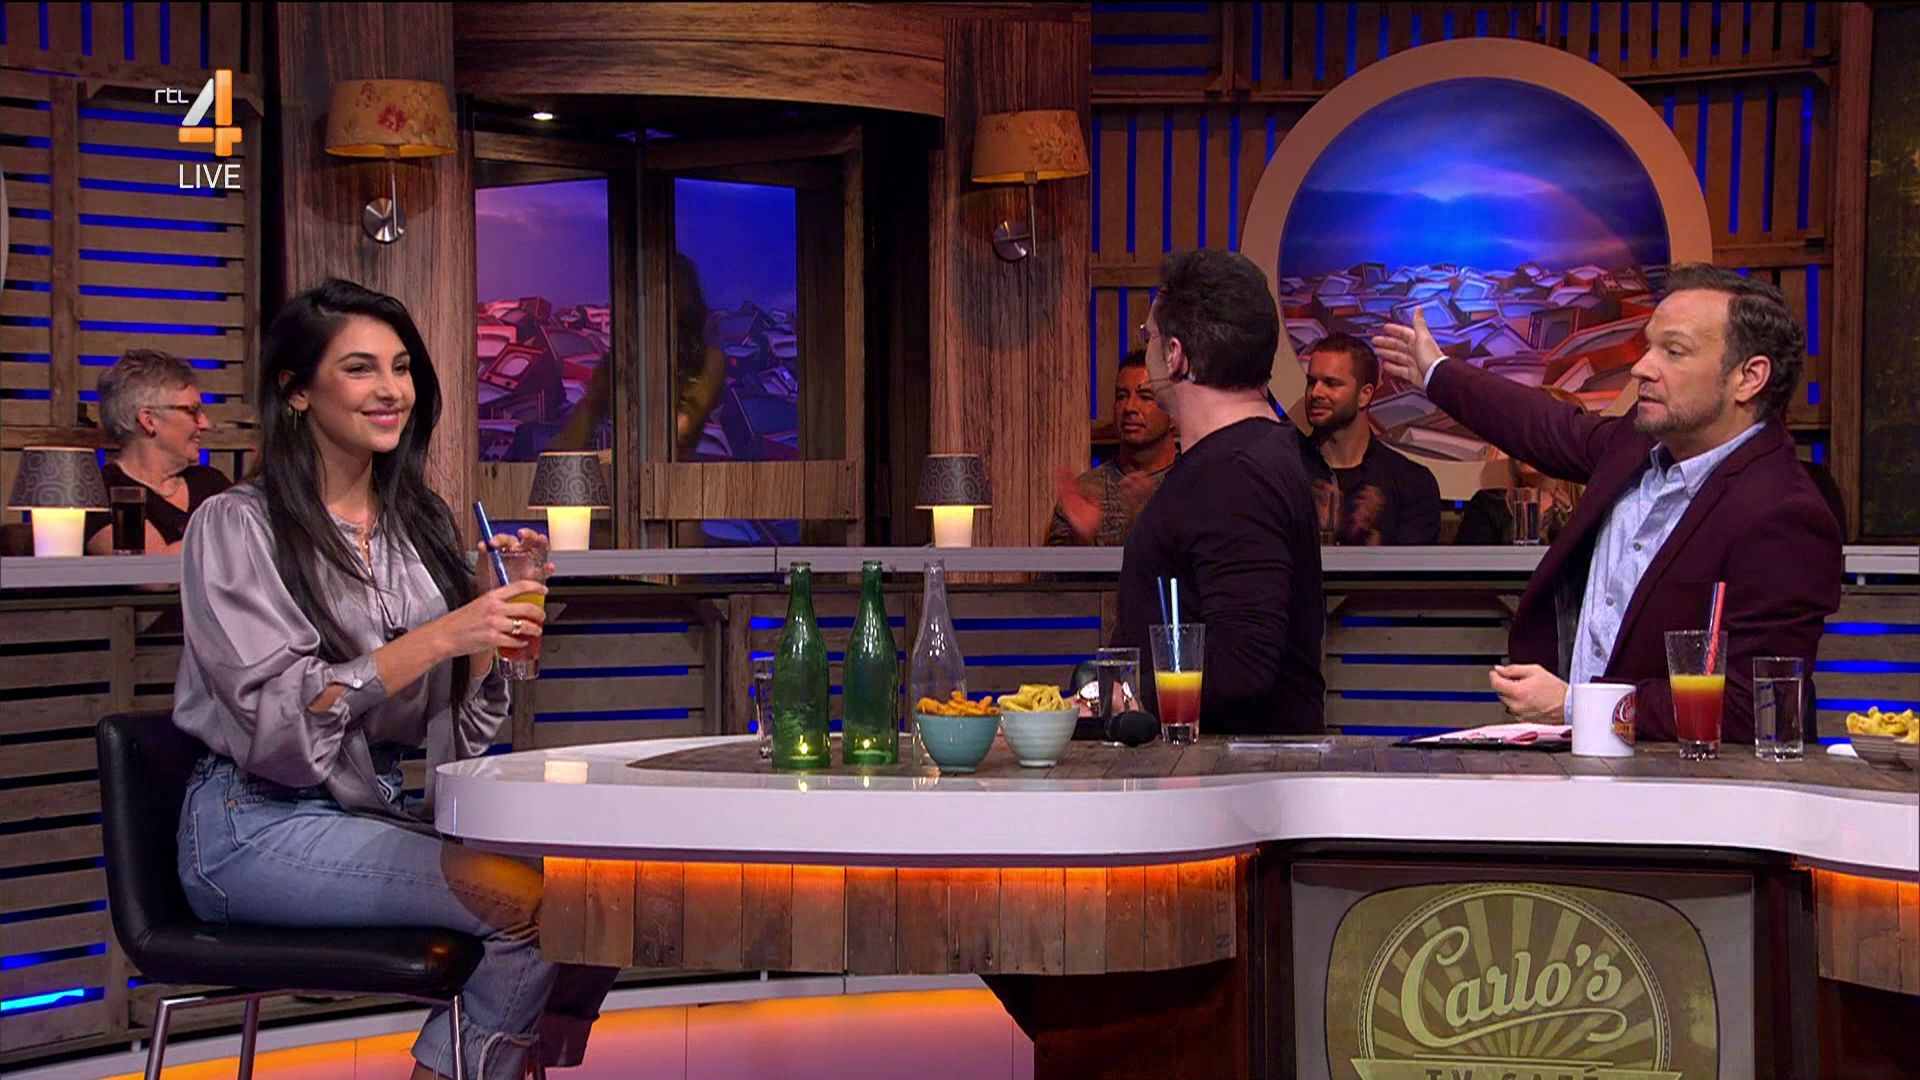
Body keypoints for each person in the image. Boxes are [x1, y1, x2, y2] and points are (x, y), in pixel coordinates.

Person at [172, 280, 616, 1079]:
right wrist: (441, 635)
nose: (391, 390)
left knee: (600, 890)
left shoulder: (419, 525)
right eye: (360, 368)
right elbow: (277, 729)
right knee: (541, 909)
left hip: (373, 811)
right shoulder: (236, 525)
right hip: (255, 825)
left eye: (402, 367)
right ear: (296, 390)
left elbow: (449, 733)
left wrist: (486, 627)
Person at [1373, 264, 1843, 743]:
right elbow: (1542, 424)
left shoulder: (1784, 513)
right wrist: (1437, 372)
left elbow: (1751, 706)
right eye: (1648, 347)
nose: (1642, 367)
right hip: (1585, 766)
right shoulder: (1636, 444)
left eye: (1673, 351)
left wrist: (1574, 704)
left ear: (1749, 377)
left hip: (1681, 783)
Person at [1112, 250, 1326, 734]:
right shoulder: (1249, 457)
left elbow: (1242, 665)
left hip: (1228, 771)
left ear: (1175, 355)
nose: (1148, 350)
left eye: (1149, 337)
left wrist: (1117, 698)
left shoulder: (1238, 474)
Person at [84, 349, 231, 554]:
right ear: (149, 420)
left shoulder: (211, 483)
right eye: (192, 411)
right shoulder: (101, 493)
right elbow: (151, 568)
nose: (206, 424)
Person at [1301, 333, 1441, 545]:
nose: (1316, 393)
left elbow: (1411, 565)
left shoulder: (1412, 483)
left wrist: (1365, 537)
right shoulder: (1284, 472)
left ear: (1364, 395)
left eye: (1331, 383)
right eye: (1311, 382)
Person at [1047, 349, 1178, 546]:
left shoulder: (1195, 487)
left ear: (1174, 413)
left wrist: (1147, 522)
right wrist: (1082, 540)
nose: (1129, 407)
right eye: (1121, 396)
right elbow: (1052, 566)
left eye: (1145, 396)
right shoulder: (1086, 491)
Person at [1453, 385, 1588, 545]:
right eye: (1519, 431)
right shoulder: (1487, 506)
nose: (1525, 442)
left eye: (1537, 431)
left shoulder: (1591, 512)